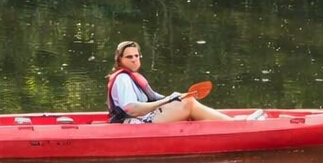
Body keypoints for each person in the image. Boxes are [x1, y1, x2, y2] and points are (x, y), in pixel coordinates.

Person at [105, 41, 265, 124]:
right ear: (119, 59)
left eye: (136, 56)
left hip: (142, 118)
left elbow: (153, 98)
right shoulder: (123, 79)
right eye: (129, 57)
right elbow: (131, 108)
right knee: (188, 103)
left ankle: (234, 122)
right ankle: (236, 125)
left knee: (186, 100)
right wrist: (168, 100)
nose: (134, 59)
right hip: (133, 123)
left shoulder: (131, 76)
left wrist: (175, 98)